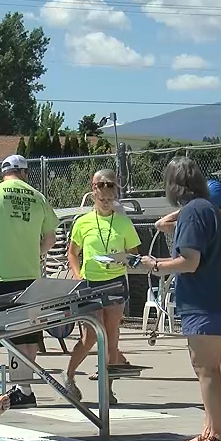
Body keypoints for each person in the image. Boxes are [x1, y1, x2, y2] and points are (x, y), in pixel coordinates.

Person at [140, 157, 221, 441]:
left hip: (204, 301)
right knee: (219, 364)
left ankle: (218, 436)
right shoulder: (208, 209)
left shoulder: (193, 214)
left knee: (205, 367)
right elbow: (166, 225)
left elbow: (190, 262)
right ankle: (211, 428)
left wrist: (155, 264)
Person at [0, 154, 59, 408]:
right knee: (29, 334)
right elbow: (50, 238)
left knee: (12, 335)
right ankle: (24, 387)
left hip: (2, 274)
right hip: (31, 273)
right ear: (25, 173)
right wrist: (34, 252)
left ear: (3, 172)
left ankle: (23, 389)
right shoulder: (38, 197)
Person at [64, 169, 141, 404]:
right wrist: (78, 276)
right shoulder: (83, 222)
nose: (106, 203)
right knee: (89, 336)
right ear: (94, 193)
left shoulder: (123, 222)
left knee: (110, 336)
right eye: (102, 199)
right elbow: (72, 253)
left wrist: (122, 257)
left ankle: (107, 388)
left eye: (110, 199)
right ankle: (69, 377)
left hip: (115, 281)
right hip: (90, 282)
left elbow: (135, 253)